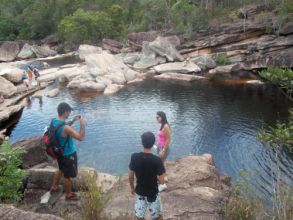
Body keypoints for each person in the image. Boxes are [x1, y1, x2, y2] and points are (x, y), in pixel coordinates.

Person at [50, 102, 86, 201]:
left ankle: (55, 186)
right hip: (68, 154)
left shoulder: (54, 121)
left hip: (59, 153)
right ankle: (68, 194)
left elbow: (64, 128)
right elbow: (81, 137)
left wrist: (73, 120)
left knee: (61, 169)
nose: (70, 113)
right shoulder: (65, 127)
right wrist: (82, 124)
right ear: (65, 112)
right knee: (67, 176)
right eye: (69, 111)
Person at [129, 132, 165, 220]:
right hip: (153, 193)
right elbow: (162, 181)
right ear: (153, 144)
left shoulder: (134, 157)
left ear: (141, 143)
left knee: (139, 216)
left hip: (140, 192)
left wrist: (132, 188)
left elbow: (130, 177)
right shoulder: (157, 160)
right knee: (158, 216)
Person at [156, 111, 171, 192]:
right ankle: (164, 177)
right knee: (162, 163)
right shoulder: (162, 125)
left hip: (163, 148)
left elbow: (168, 139)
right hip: (160, 147)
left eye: (158, 117)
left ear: (162, 117)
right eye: (156, 117)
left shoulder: (165, 126)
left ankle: (162, 185)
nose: (156, 119)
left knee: (159, 165)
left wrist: (163, 150)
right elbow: (162, 137)